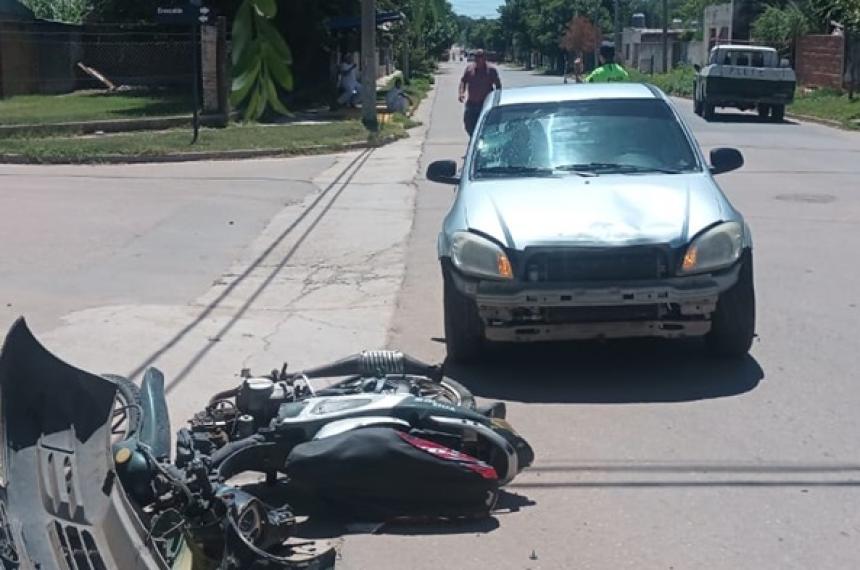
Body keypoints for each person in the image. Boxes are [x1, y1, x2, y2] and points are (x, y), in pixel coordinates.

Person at [458, 49, 501, 137]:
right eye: (476, 56)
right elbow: (463, 81)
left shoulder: (491, 70)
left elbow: (498, 86)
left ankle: (482, 140)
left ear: (484, 58)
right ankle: (473, 139)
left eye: (480, 56)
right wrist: (461, 93)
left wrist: (496, 99)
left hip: (485, 104)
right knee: (469, 125)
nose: (478, 59)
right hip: (472, 103)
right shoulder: (470, 69)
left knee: (486, 126)